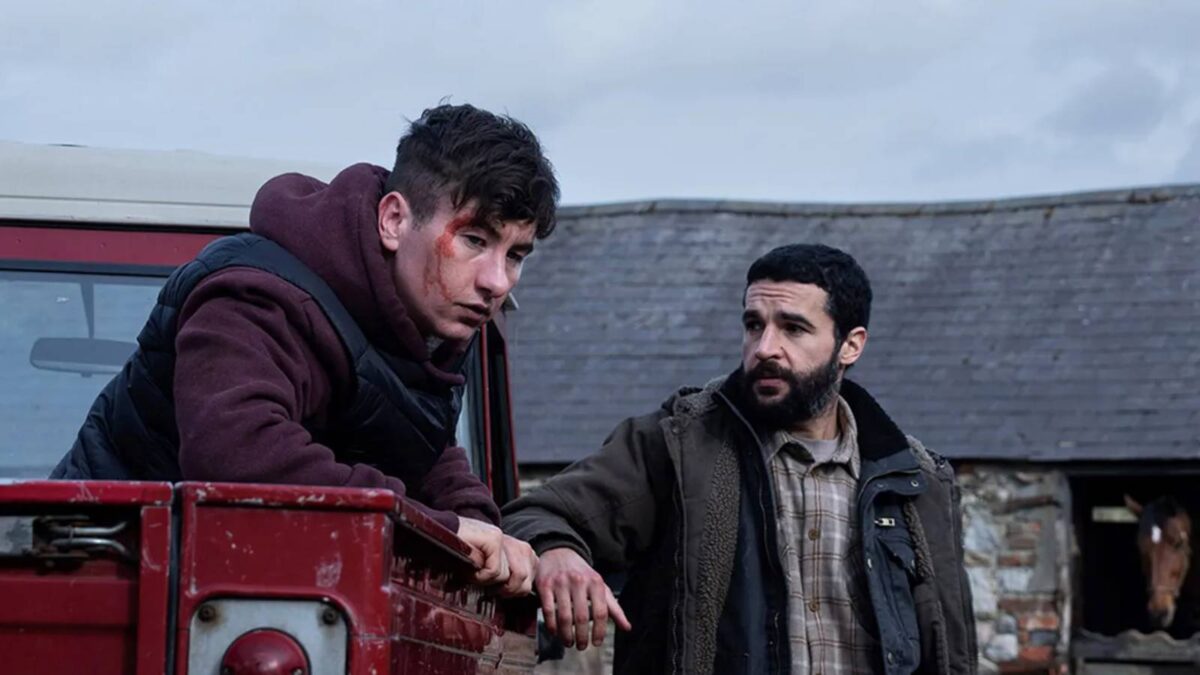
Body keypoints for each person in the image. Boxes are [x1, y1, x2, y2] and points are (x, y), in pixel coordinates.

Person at [52, 103, 554, 596]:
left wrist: (483, 529)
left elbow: (414, 439)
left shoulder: (419, 324)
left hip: (208, 586)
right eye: (473, 240)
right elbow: (237, 452)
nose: (496, 281)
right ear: (393, 220)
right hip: (86, 576)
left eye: (515, 254)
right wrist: (440, 530)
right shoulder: (256, 298)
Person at [503, 244, 977, 674]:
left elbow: (950, 652)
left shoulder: (916, 481)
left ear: (850, 345)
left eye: (793, 328)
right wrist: (559, 553)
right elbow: (535, 515)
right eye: (754, 325)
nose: (765, 348)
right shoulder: (679, 446)